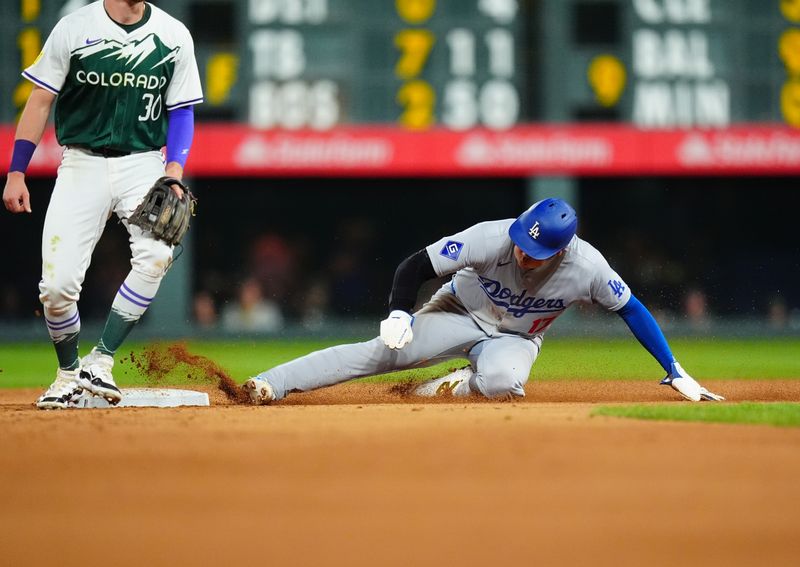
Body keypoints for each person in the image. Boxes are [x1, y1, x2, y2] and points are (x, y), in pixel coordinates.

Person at [243, 198, 724, 404]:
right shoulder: (492, 236)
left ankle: (447, 387)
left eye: (534, 251)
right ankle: (270, 383)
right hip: (458, 311)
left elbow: (633, 310)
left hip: (515, 339)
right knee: (377, 354)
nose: (521, 251)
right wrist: (397, 310)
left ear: (561, 250)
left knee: (501, 384)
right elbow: (414, 265)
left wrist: (673, 367)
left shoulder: (590, 268)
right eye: (521, 240)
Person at [2, 0, 203, 409]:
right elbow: (40, 100)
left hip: (142, 161)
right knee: (56, 288)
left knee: (156, 254)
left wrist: (174, 171)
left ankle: (102, 360)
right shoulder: (74, 27)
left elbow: (181, 110)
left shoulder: (173, 34)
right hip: (82, 163)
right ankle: (67, 374)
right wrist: (16, 171)